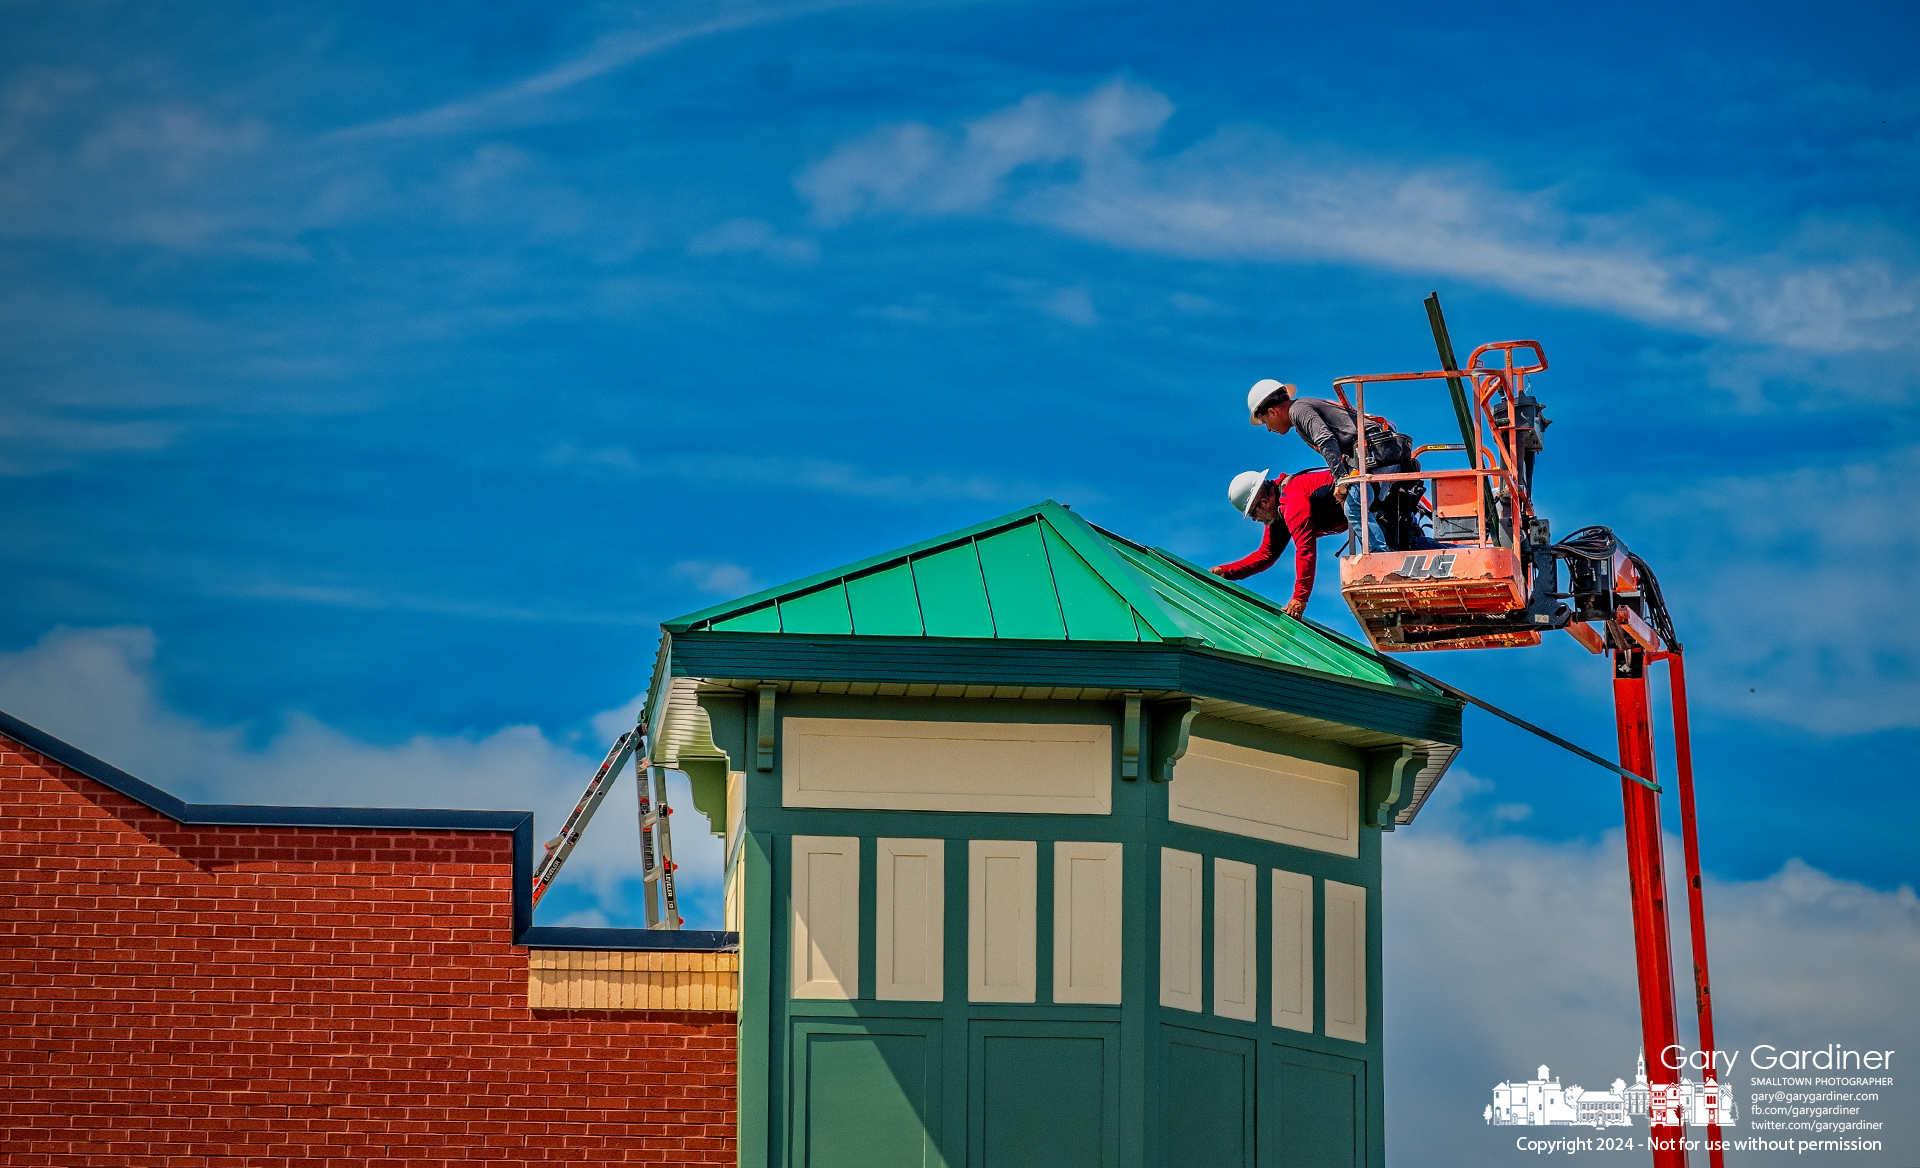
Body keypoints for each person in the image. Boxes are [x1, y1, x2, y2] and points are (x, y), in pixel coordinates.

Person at [1245, 378, 1432, 554]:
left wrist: (1341, 479)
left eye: (1265, 422)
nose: (1269, 428)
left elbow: (1326, 440)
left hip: (1378, 455)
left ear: (1272, 412)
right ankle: (1454, 552)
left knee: (1354, 507)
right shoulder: (1301, 421)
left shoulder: (1299, 410)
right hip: (1382, 456)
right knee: (1399, 536)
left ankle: (1378, 561)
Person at [1209, 468, 1349, 620]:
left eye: (1253, 514)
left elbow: (1305, 548)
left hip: (1371, 495)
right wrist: (1227, 571)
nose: (1255, 519)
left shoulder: (1292, 499)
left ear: (1264, 502)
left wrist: (1300, 597)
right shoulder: (1278, 512)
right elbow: (1267, 554)